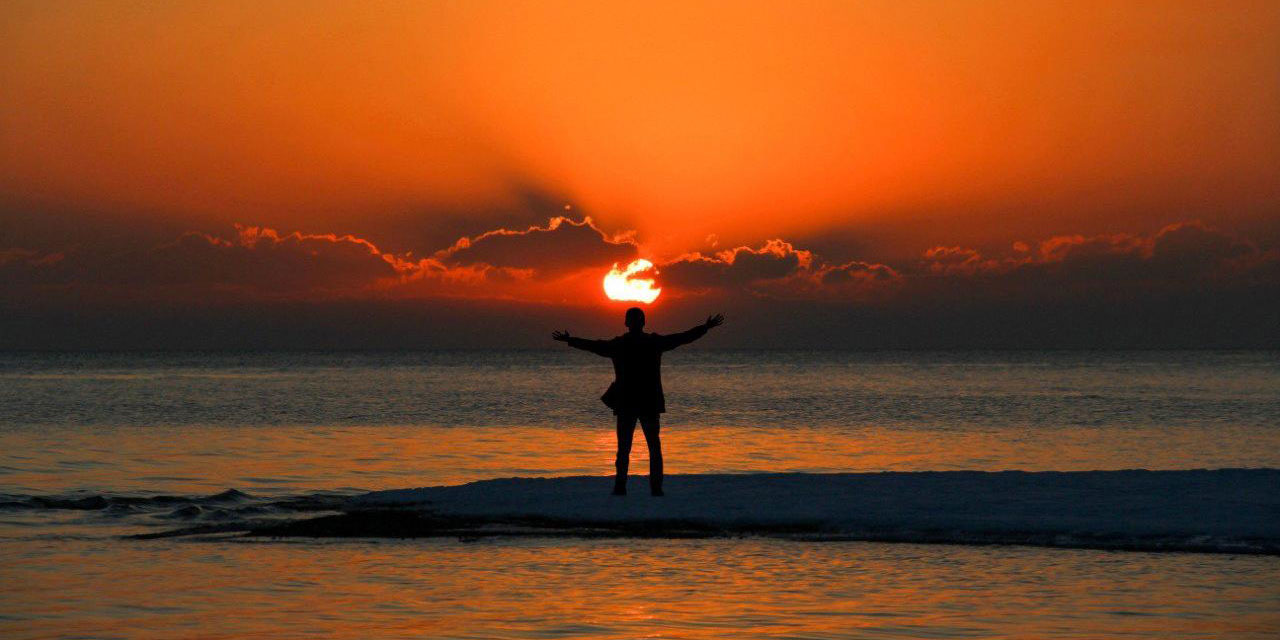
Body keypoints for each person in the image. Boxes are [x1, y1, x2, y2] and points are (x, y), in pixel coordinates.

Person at [553, 308, 724, 496]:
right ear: (643, 323)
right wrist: (705, 327)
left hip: (628, 403)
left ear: (627, 323)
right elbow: (681, 338)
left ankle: (621, 487)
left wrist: (571, 340)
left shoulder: (620, 345)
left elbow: (595, 346)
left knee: (625, 448)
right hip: (647, 402)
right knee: (652, 448)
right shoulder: (653, 342)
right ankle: (655, 489)